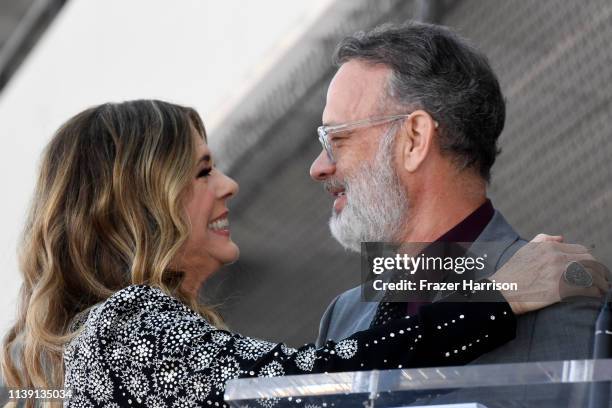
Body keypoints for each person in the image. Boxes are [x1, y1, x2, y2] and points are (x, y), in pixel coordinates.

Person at [0, 100, 594, 408]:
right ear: (143, 200)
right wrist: (500, 294)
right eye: (203, 170)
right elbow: (325, 379)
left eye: (340, 138)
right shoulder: (123, 332)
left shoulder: (114, 339)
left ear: (416, 138)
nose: (229, 185)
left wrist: (461, 273)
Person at [311, 21, 606, 368]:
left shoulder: (566, 296)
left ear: (415, 139)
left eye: (337, 139)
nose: (318, 167)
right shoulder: (343, 317)